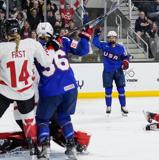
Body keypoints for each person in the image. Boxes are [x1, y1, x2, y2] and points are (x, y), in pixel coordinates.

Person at [35, 22, 91, 160]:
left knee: (42, 119)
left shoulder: (34, 47)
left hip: (50, 90)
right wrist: (85, 36)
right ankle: (71, 148)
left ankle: (45, 148)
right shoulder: (64, 40)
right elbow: (83, 50)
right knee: (64, 117)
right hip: (71, 87)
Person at [0, 18, 55, 158]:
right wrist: (51, 47)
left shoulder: (1, 48)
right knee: (28, 120)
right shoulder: (32, 43)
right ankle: (33, 149)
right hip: (26, 92)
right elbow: (47, 61)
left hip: (5, 91)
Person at [93, 29, 130, 115]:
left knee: (121, 90)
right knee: (108, 90)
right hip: (107, 71)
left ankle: (123, 106)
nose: (111, 39)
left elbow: (126, 57)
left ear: (116, 38)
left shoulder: (121, 47)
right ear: (107, 38)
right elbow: (95, 43)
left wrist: (126, 62)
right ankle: (108, 106)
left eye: (113, 37)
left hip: (118, 71)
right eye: (110, 37)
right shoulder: (104, 45)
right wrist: (96, 35)